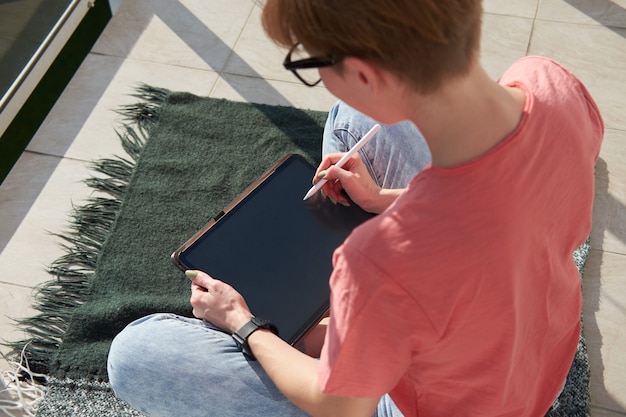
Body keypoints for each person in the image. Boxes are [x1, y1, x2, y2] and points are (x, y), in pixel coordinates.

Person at [107, 1, 604, 416]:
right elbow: (500, 200)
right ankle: (342, 336)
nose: (320, 80)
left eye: (312, 66)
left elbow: (342, 407)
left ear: (364, 72)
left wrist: (244, 323)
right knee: (356, 119)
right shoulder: (549, 82)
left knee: (136, 356)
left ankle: (320, 337)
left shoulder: (377, 259)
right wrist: (382, 200)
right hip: (542, 353)